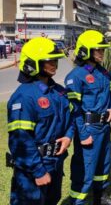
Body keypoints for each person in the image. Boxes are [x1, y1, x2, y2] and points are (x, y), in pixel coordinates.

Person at [7, 37, 73, 205]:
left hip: (55, 164)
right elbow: (20, 140)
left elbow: (70, 118)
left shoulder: (58, 92)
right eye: (49, 61)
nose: (54, 64)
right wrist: (38, 171)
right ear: (33, 64)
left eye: (55, 60)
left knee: (52, 200)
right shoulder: (24, 97)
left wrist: (68, 136)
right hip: (33, 170)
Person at [65, 30, 111, 205]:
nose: (102, 53)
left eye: (102, 49)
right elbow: (74, 110)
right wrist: (82, 134)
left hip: (104, 127)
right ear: (85, 51)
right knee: (85, 170)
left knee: (103, 165)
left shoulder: (103, 72)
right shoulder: (76, 76)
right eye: (98, 50)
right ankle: (77, 202)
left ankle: (101, 197)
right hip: (89, 130)